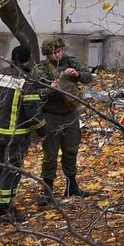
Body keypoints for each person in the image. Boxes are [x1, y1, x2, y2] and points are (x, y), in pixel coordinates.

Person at [0, 44, 44, 223]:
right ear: (28, 59)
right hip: (17, 136)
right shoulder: (28, 80)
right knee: (12, 171)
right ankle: (3, 210)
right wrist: (42, 130)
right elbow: (32, 109)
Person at [34, 37, 94, 205]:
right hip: (51, 115)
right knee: (50, 155)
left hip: (70, 114)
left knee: (71, 151)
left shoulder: (71, 62)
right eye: (53, 53)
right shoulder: (41, 70)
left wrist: (78, 74)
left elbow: (88, 77)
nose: (57, 55)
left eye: (58, 51)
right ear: (47, 55)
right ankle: (48, 191)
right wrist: (50, 89)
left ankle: (71, 186)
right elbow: (35, 94)